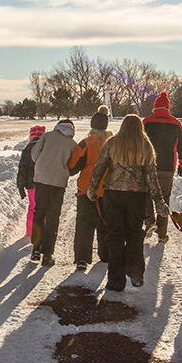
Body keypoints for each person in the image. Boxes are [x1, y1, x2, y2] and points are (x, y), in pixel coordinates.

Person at [88, 113, 170, 291]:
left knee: (115, 235)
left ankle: (115, 281)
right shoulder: (145, 146)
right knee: (134, 233)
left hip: (113, 194)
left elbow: (99, 167)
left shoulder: (112, 143)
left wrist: (92, 188)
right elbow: (151, 177)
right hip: (136, 196)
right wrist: (159, 201)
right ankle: (136, 271)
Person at [68, 106, 112, 272]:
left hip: (86, 189)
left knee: (84, 224)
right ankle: (105, 254)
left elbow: (73, 167)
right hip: (107, 190)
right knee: (104, 224)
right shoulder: (112, 143)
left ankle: (82, 258)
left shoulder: (86, 143)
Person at [29, 119, 78, 266]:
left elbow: (34, 154)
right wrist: (64, 171)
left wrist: (42, 164)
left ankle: (36, 249)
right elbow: (73, 165)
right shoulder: (72, 144)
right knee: (53, 216)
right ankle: (48, 254)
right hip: (58, 182)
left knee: (39, 213)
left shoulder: (47, 136)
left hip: (41, 178)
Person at [142, 91, 182, 241]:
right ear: (167, 107)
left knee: (147, 194)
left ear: (155, 107)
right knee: (163, 198)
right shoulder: (175, 123)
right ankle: (162, 233)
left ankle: (149, 222)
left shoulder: (147, 122)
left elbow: (140, 143)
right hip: (168, 167)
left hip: (149, 166)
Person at [16, 124, 45, 239]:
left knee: (32, 207)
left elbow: (22, 168)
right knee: (43, 207)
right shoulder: (45, 148)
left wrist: (20, 185)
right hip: (43, 183)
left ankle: (29, 231)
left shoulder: (27, 149)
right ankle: (42, 230)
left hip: (31, 184)